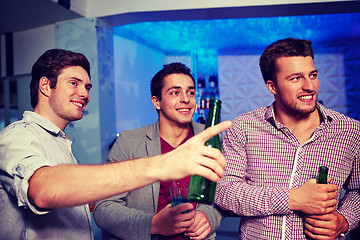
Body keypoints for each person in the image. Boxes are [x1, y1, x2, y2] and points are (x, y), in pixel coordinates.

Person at [0, 49, 231, 240]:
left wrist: (208, 216)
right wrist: (162, 167)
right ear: (45, 86)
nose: (84, 93)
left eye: (87, 87)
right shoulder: (17, 137)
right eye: (74, 83)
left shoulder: (59, 142)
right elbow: (43, 189)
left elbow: (226, 193)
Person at [215, 38, 360, 240]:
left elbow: (358, 191)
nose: (310, 86)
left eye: (313, 75)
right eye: (296, 78)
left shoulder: (351, 131)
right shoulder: (243, 128)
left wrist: (345, 220)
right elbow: (224, 192)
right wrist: (292, 199)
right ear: (272, 86)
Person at [93, 63, 223, 240]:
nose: (186, 99)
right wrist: (152, 224)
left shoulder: (210, 138)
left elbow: (224, 194)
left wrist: (208, 215)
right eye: (175, 92)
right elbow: (104, 208)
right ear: (156, 102)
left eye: (191, 92)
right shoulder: (129, 142)